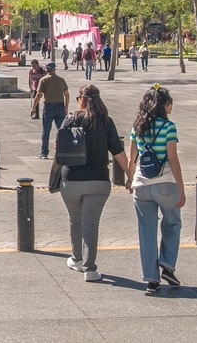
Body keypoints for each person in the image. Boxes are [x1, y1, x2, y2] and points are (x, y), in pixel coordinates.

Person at [58, 84, 129, 282]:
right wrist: (130, 176)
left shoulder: (70, 119)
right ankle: (90, 269)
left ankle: (77, 259)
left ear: (81, 98)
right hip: (98, 181)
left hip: (71, 180)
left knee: (75, 219)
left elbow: (59, 148)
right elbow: (118, 153)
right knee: (91, 223)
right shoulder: (106, 122)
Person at [127, 84, 185, 294]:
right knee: (172, 223)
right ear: (164, 106)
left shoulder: (137, 127)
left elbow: (132, 158)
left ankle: (151, 279)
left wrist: (129, 180)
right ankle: (167, 265)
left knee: (146, 231)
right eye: (170, 104)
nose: (171, 108)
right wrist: (181, 187)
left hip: (141, 186)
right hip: (166, 184)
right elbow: (173, 158)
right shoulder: (169, 127)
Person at [30, 61, 69, 159]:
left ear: (46, 70)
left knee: (46, 130)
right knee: (62, 130)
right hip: (60, 106)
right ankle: (64, 150)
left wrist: (33, 107)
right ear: (55, 69)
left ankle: (44, 153)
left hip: (48, 107)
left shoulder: (43, 80)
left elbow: (38, 95)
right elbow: (67, 94)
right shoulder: (61, 80)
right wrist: (66, 106)